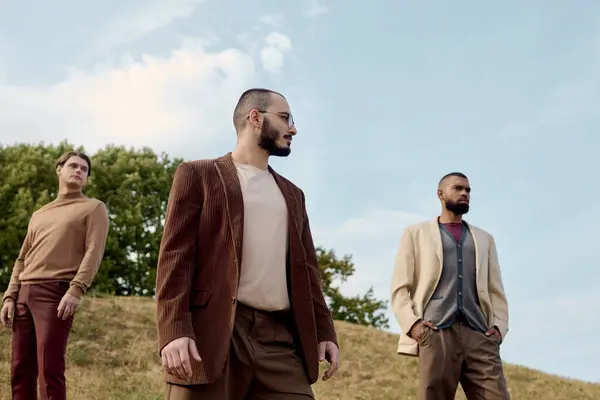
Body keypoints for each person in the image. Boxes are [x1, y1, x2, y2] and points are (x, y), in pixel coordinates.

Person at [155, 88, 340, 399]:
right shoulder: (197, 175)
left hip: (281, 340)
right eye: (285, 118)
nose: (292, 128)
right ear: (255, 117)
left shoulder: (293, 195)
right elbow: (175, 258)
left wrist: (324, 330)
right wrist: (175, 330)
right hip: (215, 334)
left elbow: (308, 269)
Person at [0, 150, 110, 400]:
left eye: (84, 169)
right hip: (23, 294)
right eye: (73, 165)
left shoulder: (93, 208)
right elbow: (22, 258)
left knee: (49, 369)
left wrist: (76, 289)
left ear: (87, 178)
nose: (79, 171)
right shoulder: (39, 214)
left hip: (55, 293)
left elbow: (94, 252)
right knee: (20, 369)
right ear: (59, 169)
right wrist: (9, 296)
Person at [390, 172, 510, 400]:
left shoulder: (485, 239)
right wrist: (414, 324)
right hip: (436, 332)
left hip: (480, 333)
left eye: (468, 190)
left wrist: (498, 329)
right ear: (441, 194)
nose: (465, 193)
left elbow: (496, 290)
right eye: (458, 188)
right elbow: (400, 287)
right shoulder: (415, 234)